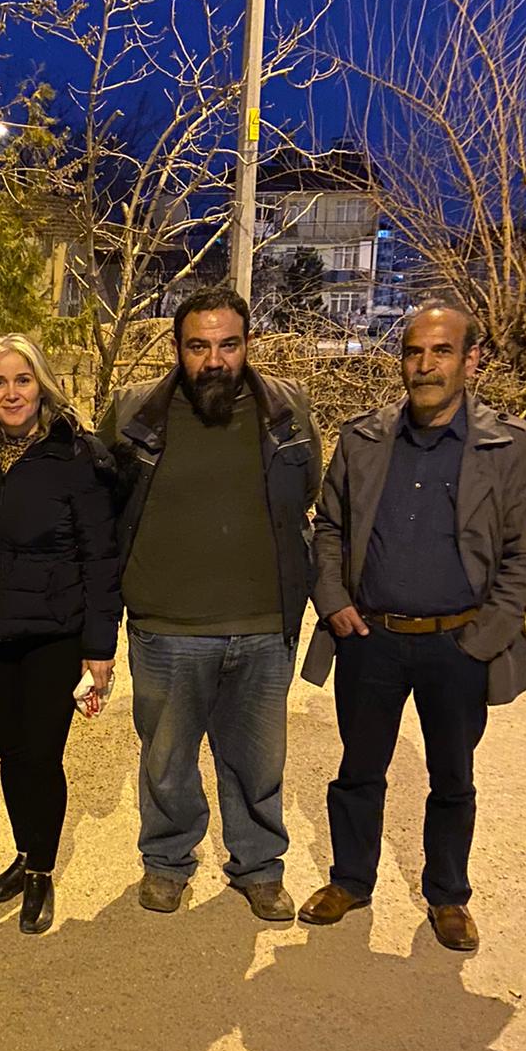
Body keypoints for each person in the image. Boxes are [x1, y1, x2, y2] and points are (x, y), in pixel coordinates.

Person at [300, 303, 526, 950]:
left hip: (458, 644)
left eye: (442, 351)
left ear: (471, 361)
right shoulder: (363, 439)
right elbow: (328, 528)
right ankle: (350, 880)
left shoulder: (511, 446)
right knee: (359, 770)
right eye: (414, 351)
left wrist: (484, 637)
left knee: (452, 778)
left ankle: (448, 895)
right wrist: (333, 599)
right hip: (370, 639)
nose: (426, 365)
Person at [98, 282, 321, 921]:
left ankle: (259, 867)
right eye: (199, 346)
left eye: (228, 345)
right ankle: (167, 862)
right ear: (177, 348)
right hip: (165, 627)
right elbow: (104, 501)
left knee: (257, 761)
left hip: (264, 624)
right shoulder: (135, 412)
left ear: (248, 344)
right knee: (166, 761)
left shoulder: (287, 410)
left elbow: (304, 492)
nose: (215, 360)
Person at [0, 336, 121, 934]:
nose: (11, 393)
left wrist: (99, 648)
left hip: (54, 637)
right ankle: (24, 852)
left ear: (42, 385)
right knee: (10, 755)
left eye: (22, 380)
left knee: (41, 755)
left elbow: (101, 559)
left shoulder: (75, 456)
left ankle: (41, 871)